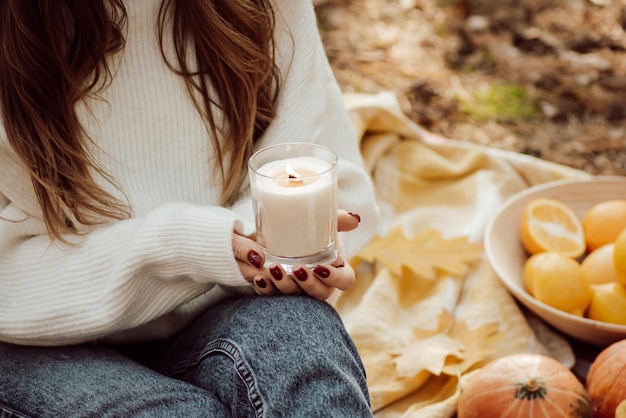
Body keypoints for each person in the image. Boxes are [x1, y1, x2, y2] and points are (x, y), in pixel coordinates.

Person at [0, 0, 379, 417]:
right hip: (25, 346)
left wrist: (286, 251)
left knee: (305, 348)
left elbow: (330, 175)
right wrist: (180, 247)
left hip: (215, 314)